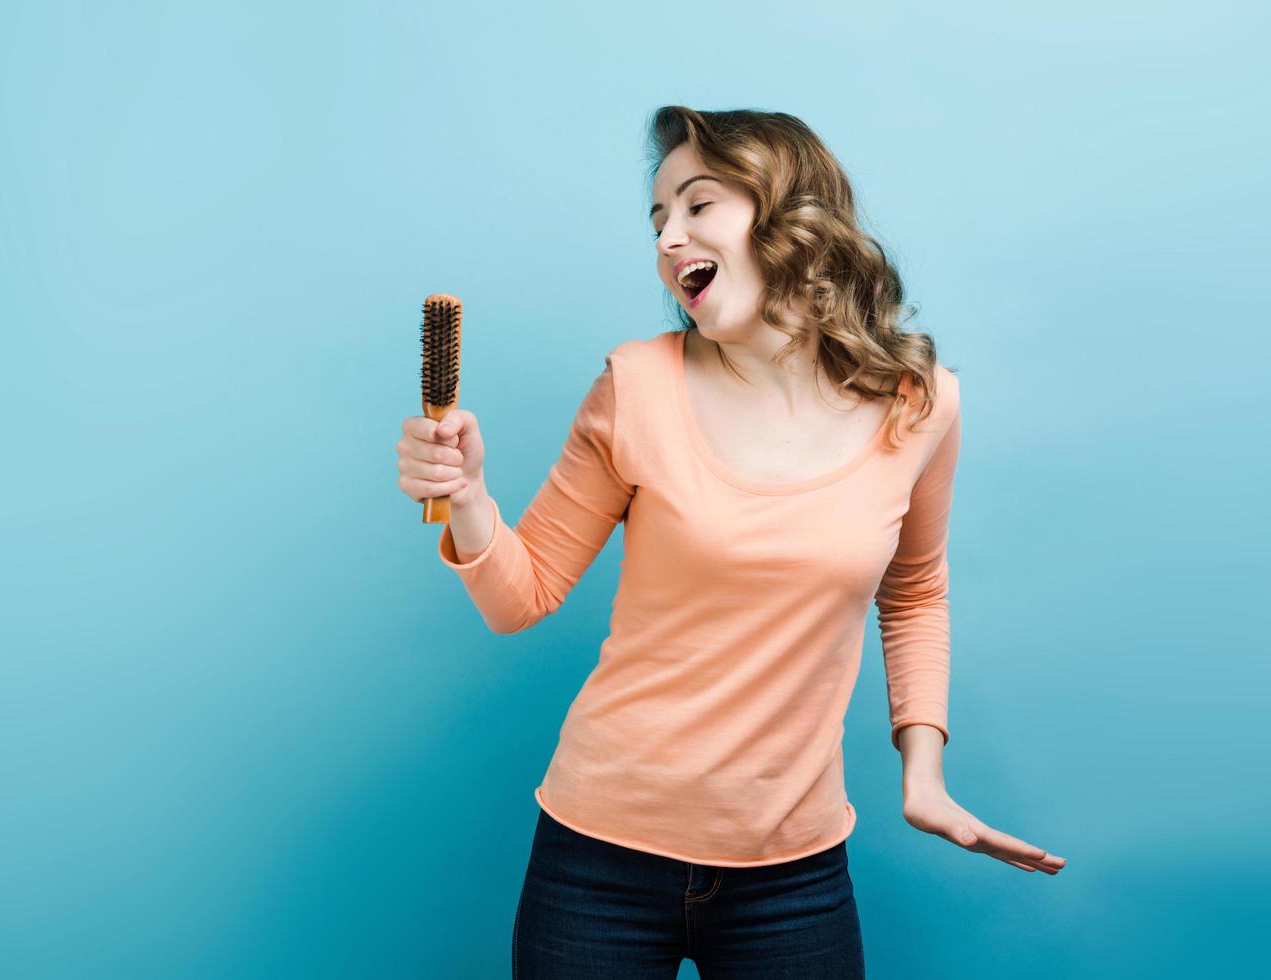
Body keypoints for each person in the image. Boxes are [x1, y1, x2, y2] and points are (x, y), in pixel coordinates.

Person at [396, 106, 1066, 978]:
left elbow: (913, 595)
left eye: (696, 205)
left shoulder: (920, 402)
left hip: (792, 872)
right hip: (593, 857)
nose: (670, 239)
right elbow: (519, 599)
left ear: (791, 217)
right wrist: (469, 498)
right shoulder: (635, 385)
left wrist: (923, 775)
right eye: (657, 220)